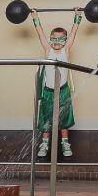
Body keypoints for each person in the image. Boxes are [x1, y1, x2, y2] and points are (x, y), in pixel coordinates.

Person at [32, 9, 82, 158]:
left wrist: (77, 17)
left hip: (63, 91)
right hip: (48, 91)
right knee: (47, 119)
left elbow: (73, 34)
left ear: (65, 41)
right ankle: (45, 143)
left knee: (64, 118)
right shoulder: (48, 50)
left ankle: (65, 143)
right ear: (50, 39)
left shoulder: (66, 50)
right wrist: (35, 18)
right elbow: (40, 33)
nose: (57, 42)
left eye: (61, 39)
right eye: (54, 39)